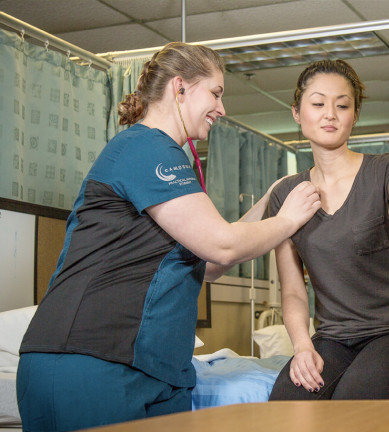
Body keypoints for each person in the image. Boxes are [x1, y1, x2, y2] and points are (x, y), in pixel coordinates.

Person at [17, 42, 320, 431]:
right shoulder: (145, 148)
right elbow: (222, 244)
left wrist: (269, 201)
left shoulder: (165, 160)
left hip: (149, 369)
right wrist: (290, 219)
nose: (222, 109)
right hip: (90, 360)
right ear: (179, 88)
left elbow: (211, 263)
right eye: (215, 93)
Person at [266, 59, 389, 400]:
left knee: (354, 402)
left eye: (342, 105)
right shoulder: (286, 194)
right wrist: (303, 346)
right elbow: (293, 290)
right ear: (297, 113)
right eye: (318, 103)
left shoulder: (384, 169)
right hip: (334, 338)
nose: (330, 114)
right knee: (286, 402)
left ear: (355, 115)